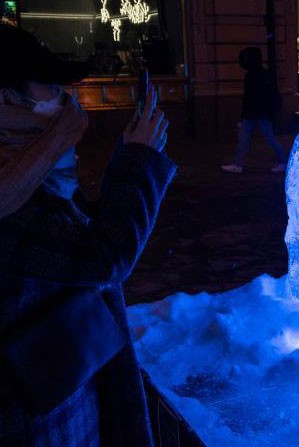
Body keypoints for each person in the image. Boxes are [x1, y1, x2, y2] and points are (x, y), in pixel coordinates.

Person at [0, 24, 174, 446]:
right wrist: (139, 160)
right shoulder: (11, 204)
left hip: (63, 381)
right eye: (48, 91)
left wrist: (127, 158)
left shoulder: (37, 182)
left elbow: (79, 233)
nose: (66, 108)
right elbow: (103, 257)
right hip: (35, 414)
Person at [221, 46, 286, 174]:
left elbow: (250, 98)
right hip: (260, 113)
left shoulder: (251, 75)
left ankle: (283, 161)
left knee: (259, 138)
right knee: (252, 138)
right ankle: (238, 164)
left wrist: (244, 115)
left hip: (256, 113)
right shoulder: (262, 74)